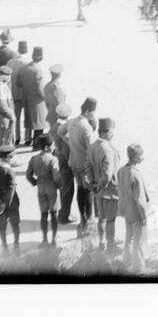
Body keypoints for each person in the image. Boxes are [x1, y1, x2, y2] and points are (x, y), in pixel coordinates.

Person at [87, 116, 120, 252]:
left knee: (101, 218)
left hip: (97, 189)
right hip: (109, 190)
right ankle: (111, 245)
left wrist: (93, 184)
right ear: (105, 132)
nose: (112, 134)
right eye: (111, 132)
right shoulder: (108, 149)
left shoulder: (92, 146)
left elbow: (87, 166)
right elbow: (107, 174)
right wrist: (100, 185)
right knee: (110, 220)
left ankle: (101, 242)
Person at [67, 98, 99, 236]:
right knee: (88, 192)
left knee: (80, 189)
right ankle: (88, 219)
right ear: (87, 111)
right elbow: (91, 149)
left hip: (73, 162)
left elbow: (61, 133)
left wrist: (70, 144)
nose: (93, 115)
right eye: (92, 112)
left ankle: (82, 219)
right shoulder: (86, 127)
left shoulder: (72, 121)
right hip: (85, 165)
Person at [118, 142, 150, 272]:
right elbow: (140, 199)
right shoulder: (136, 174)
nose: (142, 158)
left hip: (126, 211)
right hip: (137, 213)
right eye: (141, 156)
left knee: (128, 238)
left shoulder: (121, 171)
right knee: (139, 242)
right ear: (136, 158)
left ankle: (126, 262)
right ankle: (138, 268)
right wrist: (144, 216)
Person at [26, 132, 62, 246]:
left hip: (40, 187)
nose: (54, 147)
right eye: (52, 145)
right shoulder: (53, 159)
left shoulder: (34, 158)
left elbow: (28, 174)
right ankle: (54, 238)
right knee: (54, 213)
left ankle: (44, 239)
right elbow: (56, 176)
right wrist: (59, 185)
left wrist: (35, 182)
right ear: (47, 147)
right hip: (51, 186)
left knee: (43, 214)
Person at [0, 150, 22, 255]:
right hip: (12, 202)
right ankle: (16, 246)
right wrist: (6, 203)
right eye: (10, 157)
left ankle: (5, 249)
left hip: (0, 201)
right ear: (6, 158)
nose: (11, 160)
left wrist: (1, 202)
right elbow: (11, 189)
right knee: (15, 225)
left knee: (2, 227)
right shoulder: (9, 171)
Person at [0, 65, 17, 157]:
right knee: (6, 138)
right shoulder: (1, 86)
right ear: (5, 76)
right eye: (9, 76)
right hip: (5, 117)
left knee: (2, 137)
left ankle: (3, 154)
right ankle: (6, 156)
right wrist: (11, 115)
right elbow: (2, 105)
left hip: (0, 116)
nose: (10, 78)